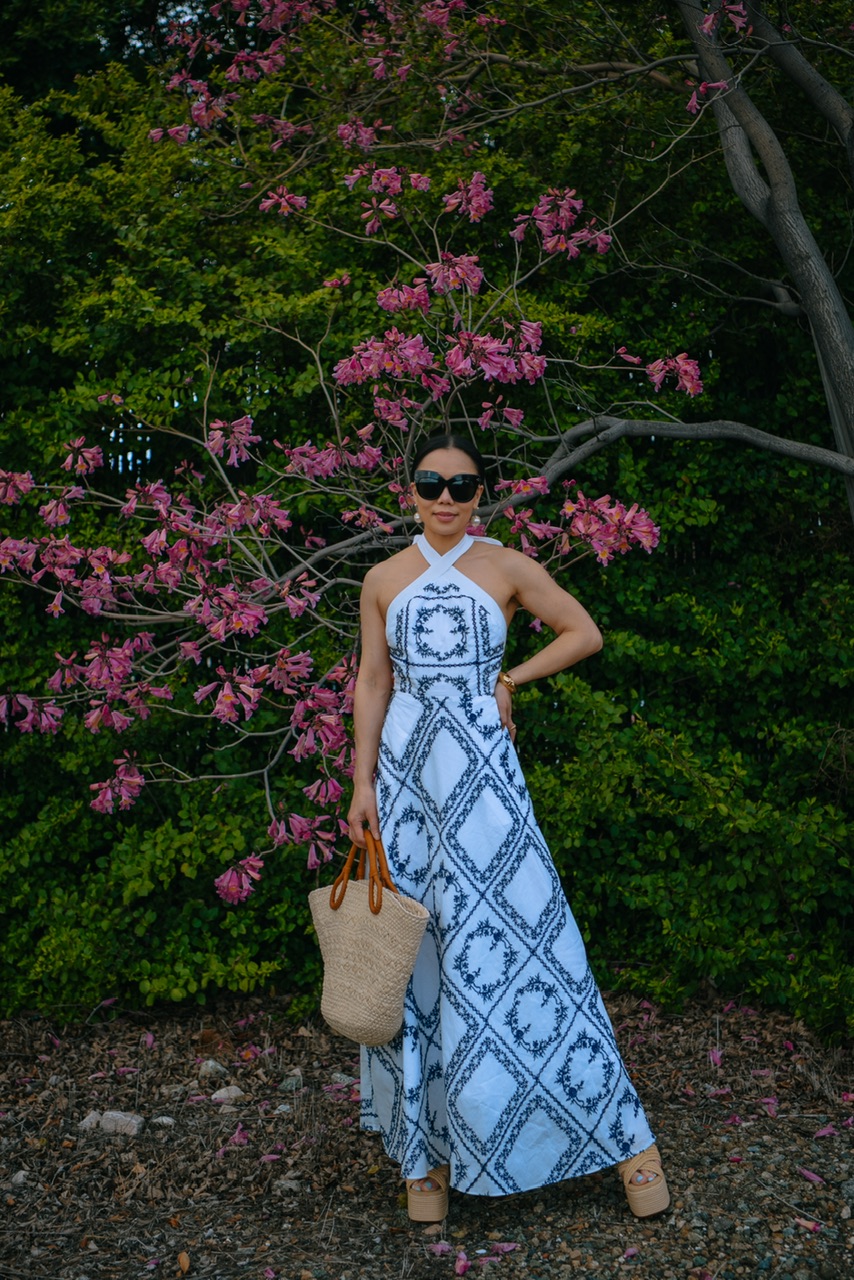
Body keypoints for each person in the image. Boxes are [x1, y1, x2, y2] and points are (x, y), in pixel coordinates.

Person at [347, 432, 669, 1222]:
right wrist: (360, 781)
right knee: (415, 953)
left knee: (533, 947)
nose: (447, 498)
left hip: (487, 790)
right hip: (408, 784)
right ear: (409, 489)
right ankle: (423, 1163)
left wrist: (508, 679)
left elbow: (583, 632)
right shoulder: (384, 578)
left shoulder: (507, 566)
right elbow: (371, 681)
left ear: (480, 493)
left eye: (462, 485)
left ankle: (630, 1145)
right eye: (432, 483)